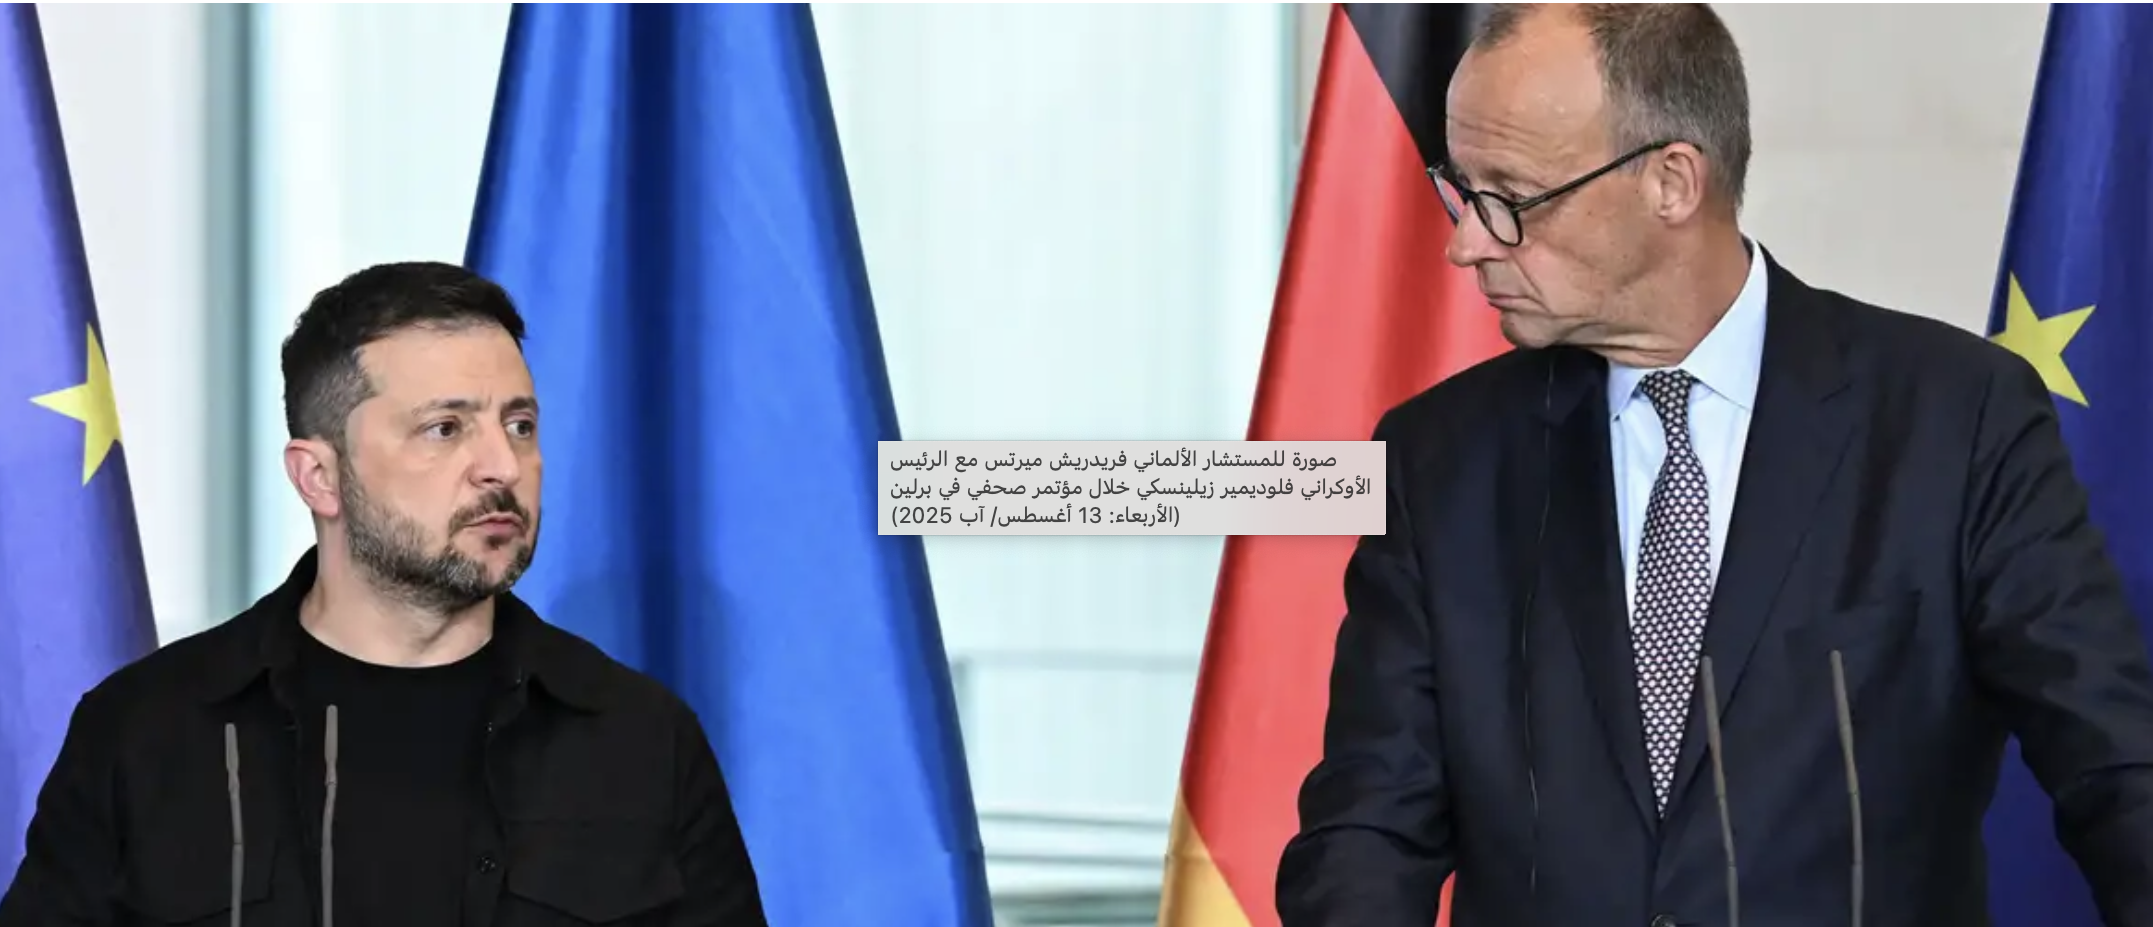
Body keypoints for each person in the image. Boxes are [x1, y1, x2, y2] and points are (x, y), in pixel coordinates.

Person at [1276, 4, 2153, 926]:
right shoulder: (1438, 460)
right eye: (1462, 191)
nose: (1466, 242)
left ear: (1671, 182)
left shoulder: (1953, 418)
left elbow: (2114, 761)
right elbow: (1368, 830)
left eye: (1512, 200)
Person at [0, 262, 768, 926]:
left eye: (520, 425)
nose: (502, 465)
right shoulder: (146, 731)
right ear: (319, 476)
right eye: (445, 428)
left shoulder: (640, 738)